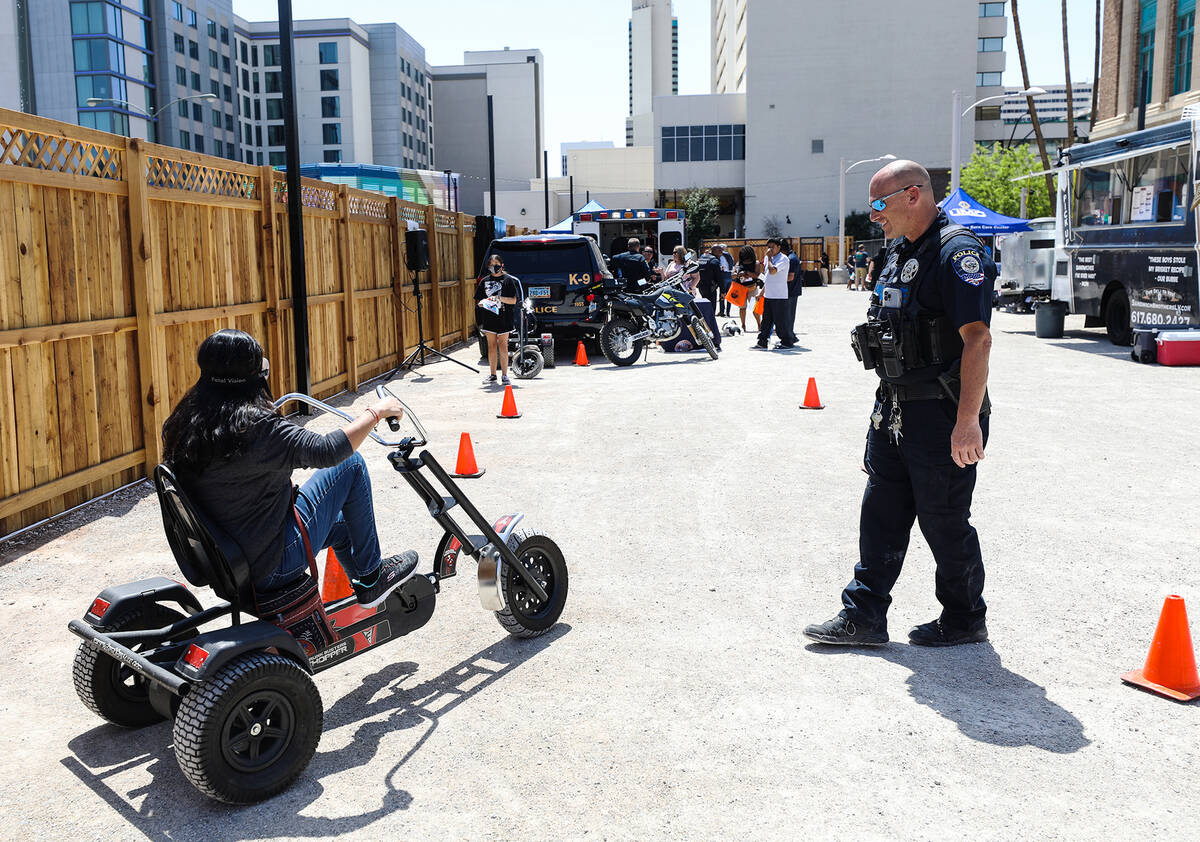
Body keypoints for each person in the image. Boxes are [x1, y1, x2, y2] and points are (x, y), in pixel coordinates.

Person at [803, 159, 996, 648]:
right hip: (893, 407)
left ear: (913, 195)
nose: (874, 215)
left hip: (941, 413)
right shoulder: (898, 252)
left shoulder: (956, 252)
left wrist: (967, 421)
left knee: (943, 520)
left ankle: (965, 617)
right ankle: (864, 616)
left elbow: (978, 340)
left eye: (879, 203)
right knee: (881, 512)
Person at [161, 329, 418, 608]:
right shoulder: (253, 426)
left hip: (228, 566)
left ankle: (366, 588)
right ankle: (373, 578)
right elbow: (328, 450)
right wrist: (376, 412)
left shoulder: (185, 421)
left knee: (344, 528)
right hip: (271, 567)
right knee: (350, 464)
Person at [475, 254, 519, 386]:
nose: (494, 267)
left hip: (504, 317)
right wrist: (482, 303)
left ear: (501, 265)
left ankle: (505, 375)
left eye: (496, 264)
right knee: (491, 346)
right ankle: (493, 374)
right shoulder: (484, 281)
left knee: (503, 346)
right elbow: (478, 300)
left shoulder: (508, 280)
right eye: (491, 264)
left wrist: (499, 298)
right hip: (489, 318)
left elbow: (514, 300)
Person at [753, 237, 795, 349]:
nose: (770, 249)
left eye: (772, 247)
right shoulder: (768, 259)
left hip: (779, 295)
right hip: (769, 295)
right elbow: (768, 278)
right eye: (769, 247)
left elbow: (772, 271)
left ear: (779, 247)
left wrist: (769, 259)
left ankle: (787, 342)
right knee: (766, 321)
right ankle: (762, 341)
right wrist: (761, 293)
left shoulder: (783, 259)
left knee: (780, 321)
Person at [735, 244, 762, 332]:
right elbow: (734, 274)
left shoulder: (756, 263)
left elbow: (757, 275)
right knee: (742, 308)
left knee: (754, 307)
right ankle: (743, 325)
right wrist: (738, 274)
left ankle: (759, 325)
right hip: (741, 288)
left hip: (752, 288)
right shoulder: (739, 263)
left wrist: (746, 273)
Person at [783, 239, 803, 342]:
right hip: (791, 290)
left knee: (788, 316)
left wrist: (777, 280)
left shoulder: (791, 259)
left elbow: (790, 277)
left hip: (791, 291)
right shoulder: (791, 257)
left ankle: (790, 337)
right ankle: (791, 336)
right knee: (788, 315)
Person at [717, 243, 734, 316]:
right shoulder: (729, 256)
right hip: (729, 275)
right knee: (729, 295)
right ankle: (728, 312)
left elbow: (721, 266)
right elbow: (732, 265)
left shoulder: (720, 256)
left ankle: (722, 311)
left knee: (722, 293)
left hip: (723, 275)